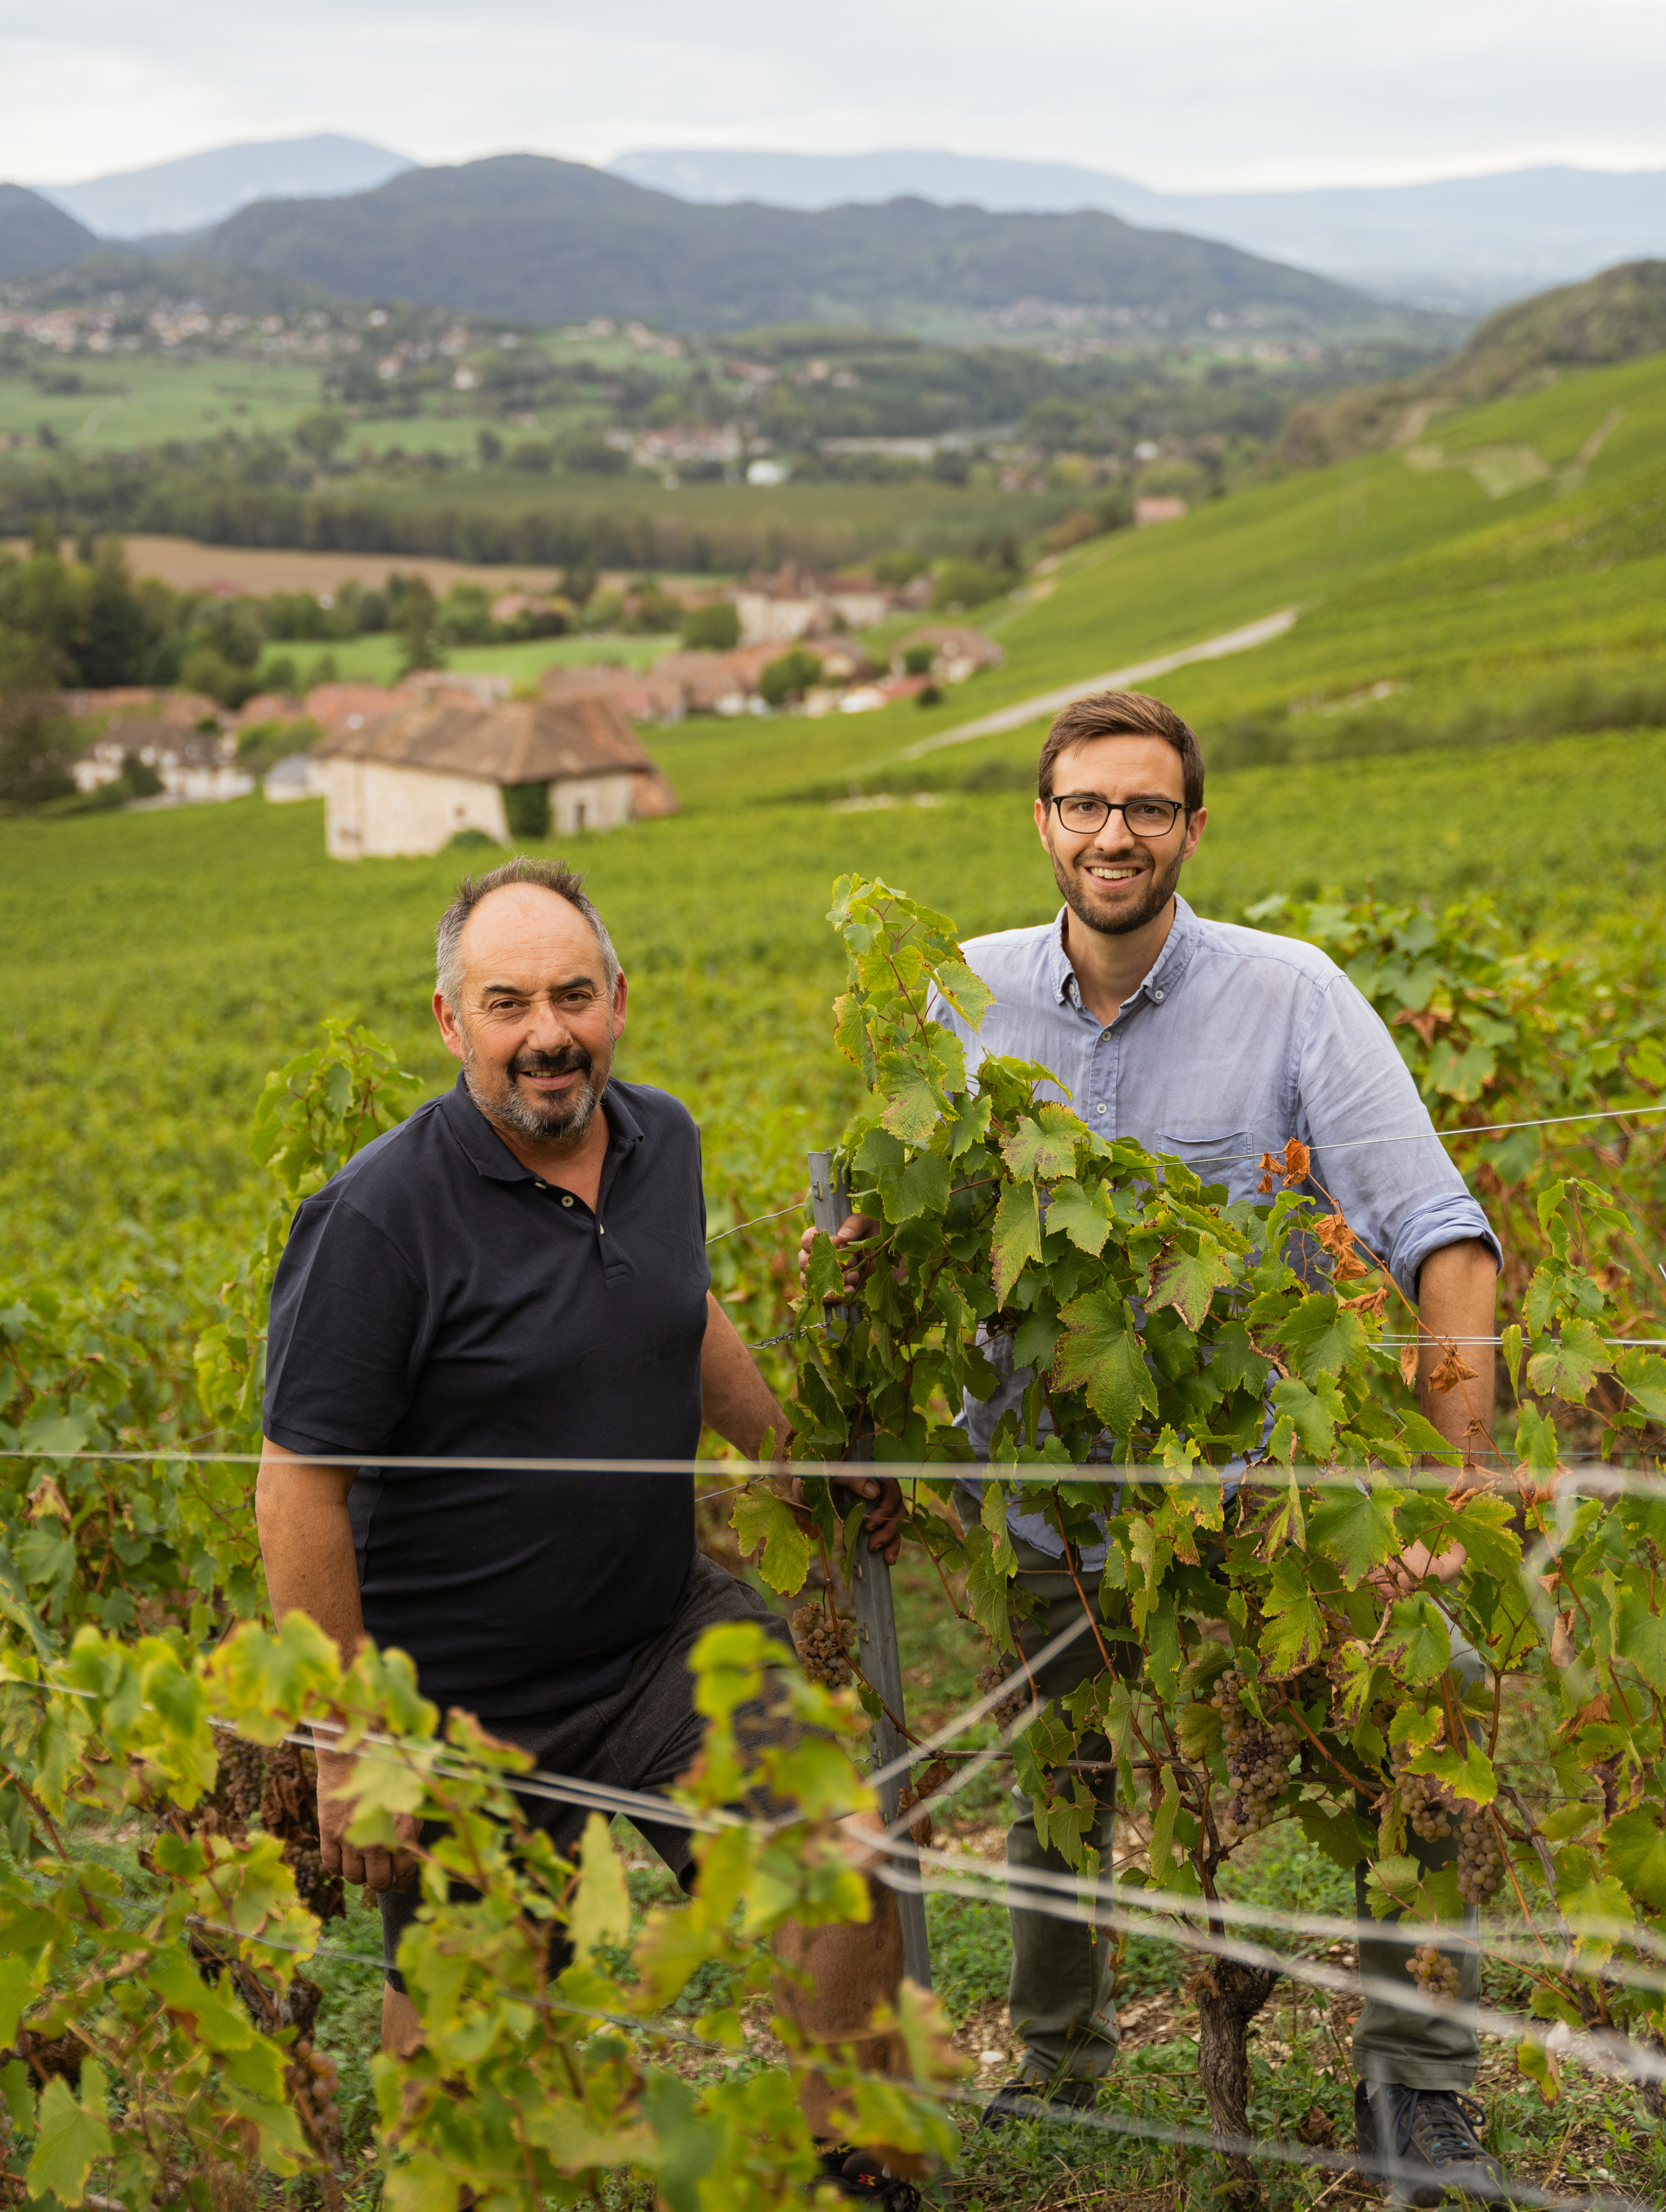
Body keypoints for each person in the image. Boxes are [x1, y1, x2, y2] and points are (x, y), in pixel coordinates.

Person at [805, 689, 1506, 2203]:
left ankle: (1419, 2085)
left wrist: (1453, 1493)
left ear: (1192, 824)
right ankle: (1059, 2053)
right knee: (1061, 1776)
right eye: (1083, 805)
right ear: (1043, 822)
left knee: (1413, 1720)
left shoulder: (1296, 993)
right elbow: (899, 1246)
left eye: (1144, 806)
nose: (1111, 833)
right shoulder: (961, 999)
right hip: (1048, 1498)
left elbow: (1445, 1243)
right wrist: (864, 1416)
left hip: (1260, 1502)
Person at [256, 856, 916, 2207]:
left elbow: (686, 1311)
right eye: (508, 1003)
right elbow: (296, 1486)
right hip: (457, 1702)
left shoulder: (662, 1138)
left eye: (571, 994)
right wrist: (349, 1745)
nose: (546, 1031)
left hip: (658, 1636)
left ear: (617, 999)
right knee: (465, 2060)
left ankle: (861, 2171)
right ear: (452, 1023)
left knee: (831, 1847)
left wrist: (791, 1458)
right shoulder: (378, 1216)